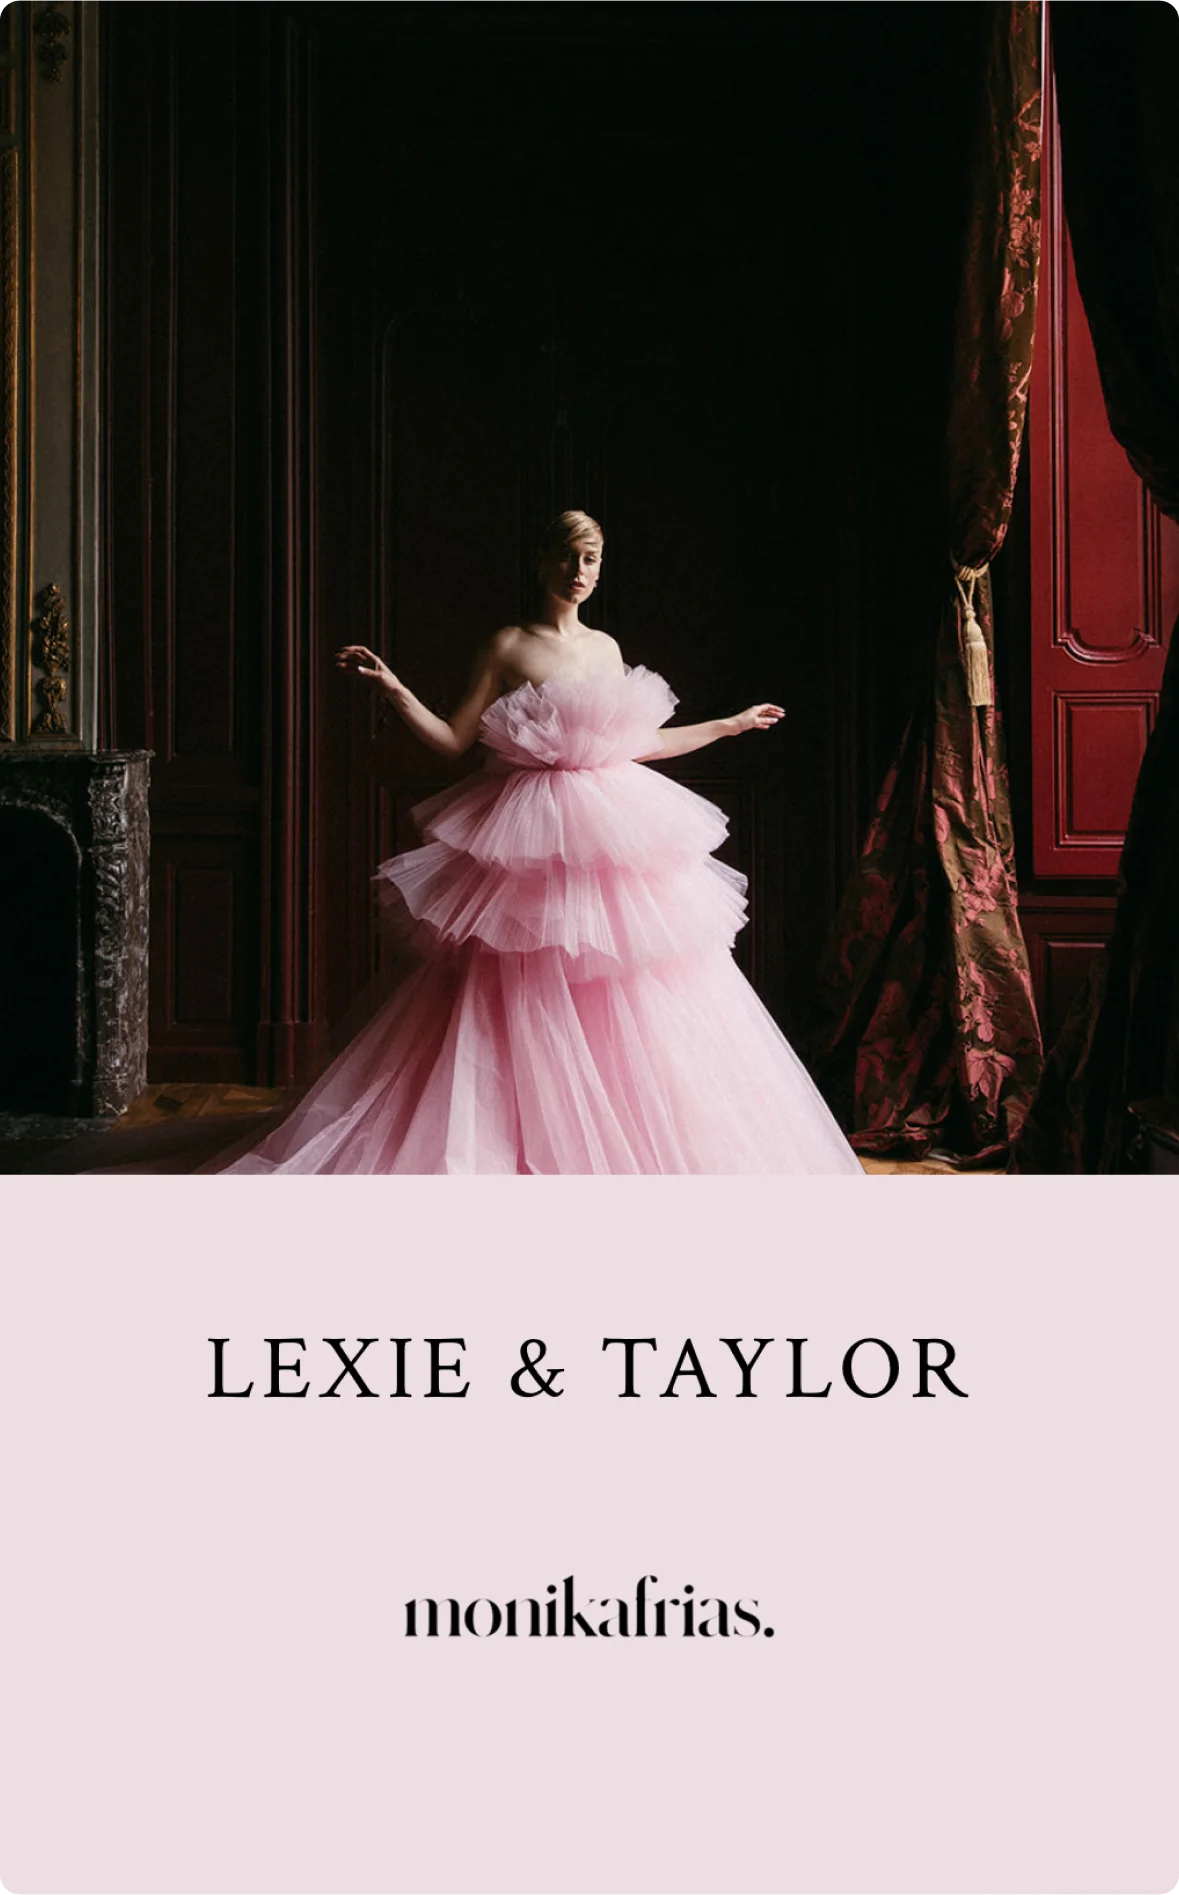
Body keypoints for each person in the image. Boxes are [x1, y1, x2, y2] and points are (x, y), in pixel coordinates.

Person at [224, 511, 862, 1173]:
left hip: (609, 829)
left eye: (590, 559)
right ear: (540, 562)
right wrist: (394, 688)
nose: (578, 572)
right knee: (517, 978)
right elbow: (452, 741)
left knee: (618, 979)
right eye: (566, 556)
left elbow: (636, 744)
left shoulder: (606, 649)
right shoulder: (507, 645)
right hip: (528, 833)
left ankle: (611, 1132)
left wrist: (729, 725)